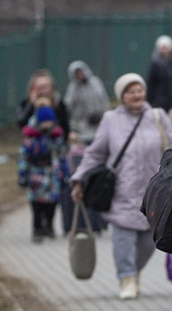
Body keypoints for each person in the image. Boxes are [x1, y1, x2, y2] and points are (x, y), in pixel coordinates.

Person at [69, 73, 172, 300]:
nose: (136, 95)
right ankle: (127, 277)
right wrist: (79, 179)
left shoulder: (158, 116)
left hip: (154, 193)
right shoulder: (111, 119)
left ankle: (134, 270)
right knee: (123, 237)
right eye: (131, 92)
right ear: (122, 96)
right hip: (121, 190)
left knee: (149, 242)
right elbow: (95, 153)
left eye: (139, 90)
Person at [61, 60, 111, 234]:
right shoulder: (72, 90)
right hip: (83, 134)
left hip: (99, 131)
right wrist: (74, 130)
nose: (80, 76)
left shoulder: (96, 83)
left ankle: (101, 218)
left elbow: (104, 102)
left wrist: (103, 117)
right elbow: (69, 112)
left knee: (101, 173)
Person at [17, 102, 69, 243]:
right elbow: (23, 159)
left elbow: (62, 156)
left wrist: (65, 174)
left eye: (49, 122)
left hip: (52, 176)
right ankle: (37, 228)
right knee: (36, 205)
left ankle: (49, 226)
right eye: (44, 122)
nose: (47, 125)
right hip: (35, 176)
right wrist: (22, 177)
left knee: (52, 204)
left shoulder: (56, 137)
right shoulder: (31, 139)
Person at [146, 35, 172, 142]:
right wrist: (150, 101)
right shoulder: (155, 64)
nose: (164, 50)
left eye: (166, 47)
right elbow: (151, 83)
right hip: (162, 101)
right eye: (162, 47)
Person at [16, 68, 70, 139]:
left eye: (45, 87)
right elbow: (21, 123)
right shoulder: (26, 103)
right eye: (39, 87)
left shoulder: (59, 104)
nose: (43, 91)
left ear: (52, 88)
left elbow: (65, 125)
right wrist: (31, 105)